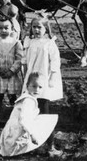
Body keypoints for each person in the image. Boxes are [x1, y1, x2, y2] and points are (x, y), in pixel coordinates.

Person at [22, 17, 63, 157]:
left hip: (43, 83)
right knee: (30, 113)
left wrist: (51, 78)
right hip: (30, 82)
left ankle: (50, 146)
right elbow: (25, 61)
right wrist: (25, 79)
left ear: (46, 28)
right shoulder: (30, 42)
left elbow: (55, 63)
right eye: (34, 27)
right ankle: (31, 144)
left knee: (44, 113)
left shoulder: (49, 44)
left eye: (39, 27)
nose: (37, 30)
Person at [0, 72, 58, 158]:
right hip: (18, 129)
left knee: (42, 119)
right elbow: (23, 120)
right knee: (46, 122)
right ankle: (18, 149)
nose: (37, 90)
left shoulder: (28, 97)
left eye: (40, 87)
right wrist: (32, 135)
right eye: (34, 86)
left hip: (16, 128)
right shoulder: (28, 101)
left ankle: (17, 147)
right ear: (27, 86)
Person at [0, 19, 24, 127]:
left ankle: (15, 118)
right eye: (0, 28)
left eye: (6, 28)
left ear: (12, 29)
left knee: (13, 96)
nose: (3, 30)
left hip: (11, 75)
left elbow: (19, 59)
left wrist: (12, 70)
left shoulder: (16, 43)